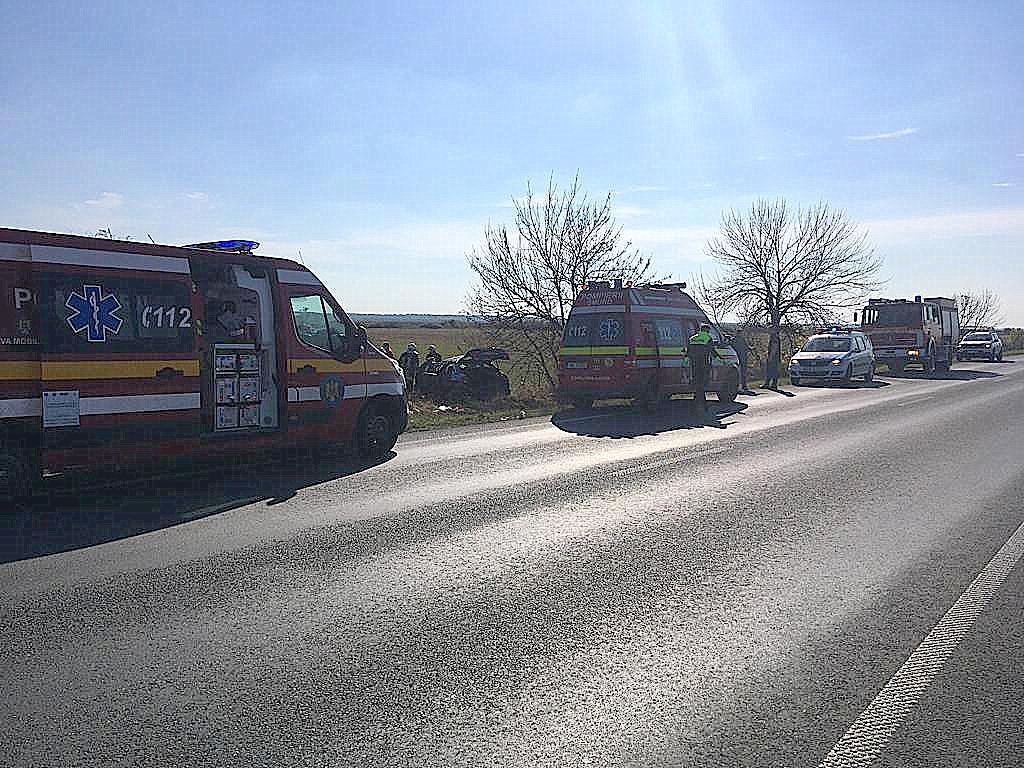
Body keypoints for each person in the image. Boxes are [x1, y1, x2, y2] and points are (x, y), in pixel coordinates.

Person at [688, 323, 721, 419]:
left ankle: (698, 403)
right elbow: (712, 350)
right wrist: (720, 359)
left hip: (694, 365)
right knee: (703, 384)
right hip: (704, 364)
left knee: (697, 383)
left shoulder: (692, 338)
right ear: (707, 330)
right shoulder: (708, 338)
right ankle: (702, 404)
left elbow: (688, 351)